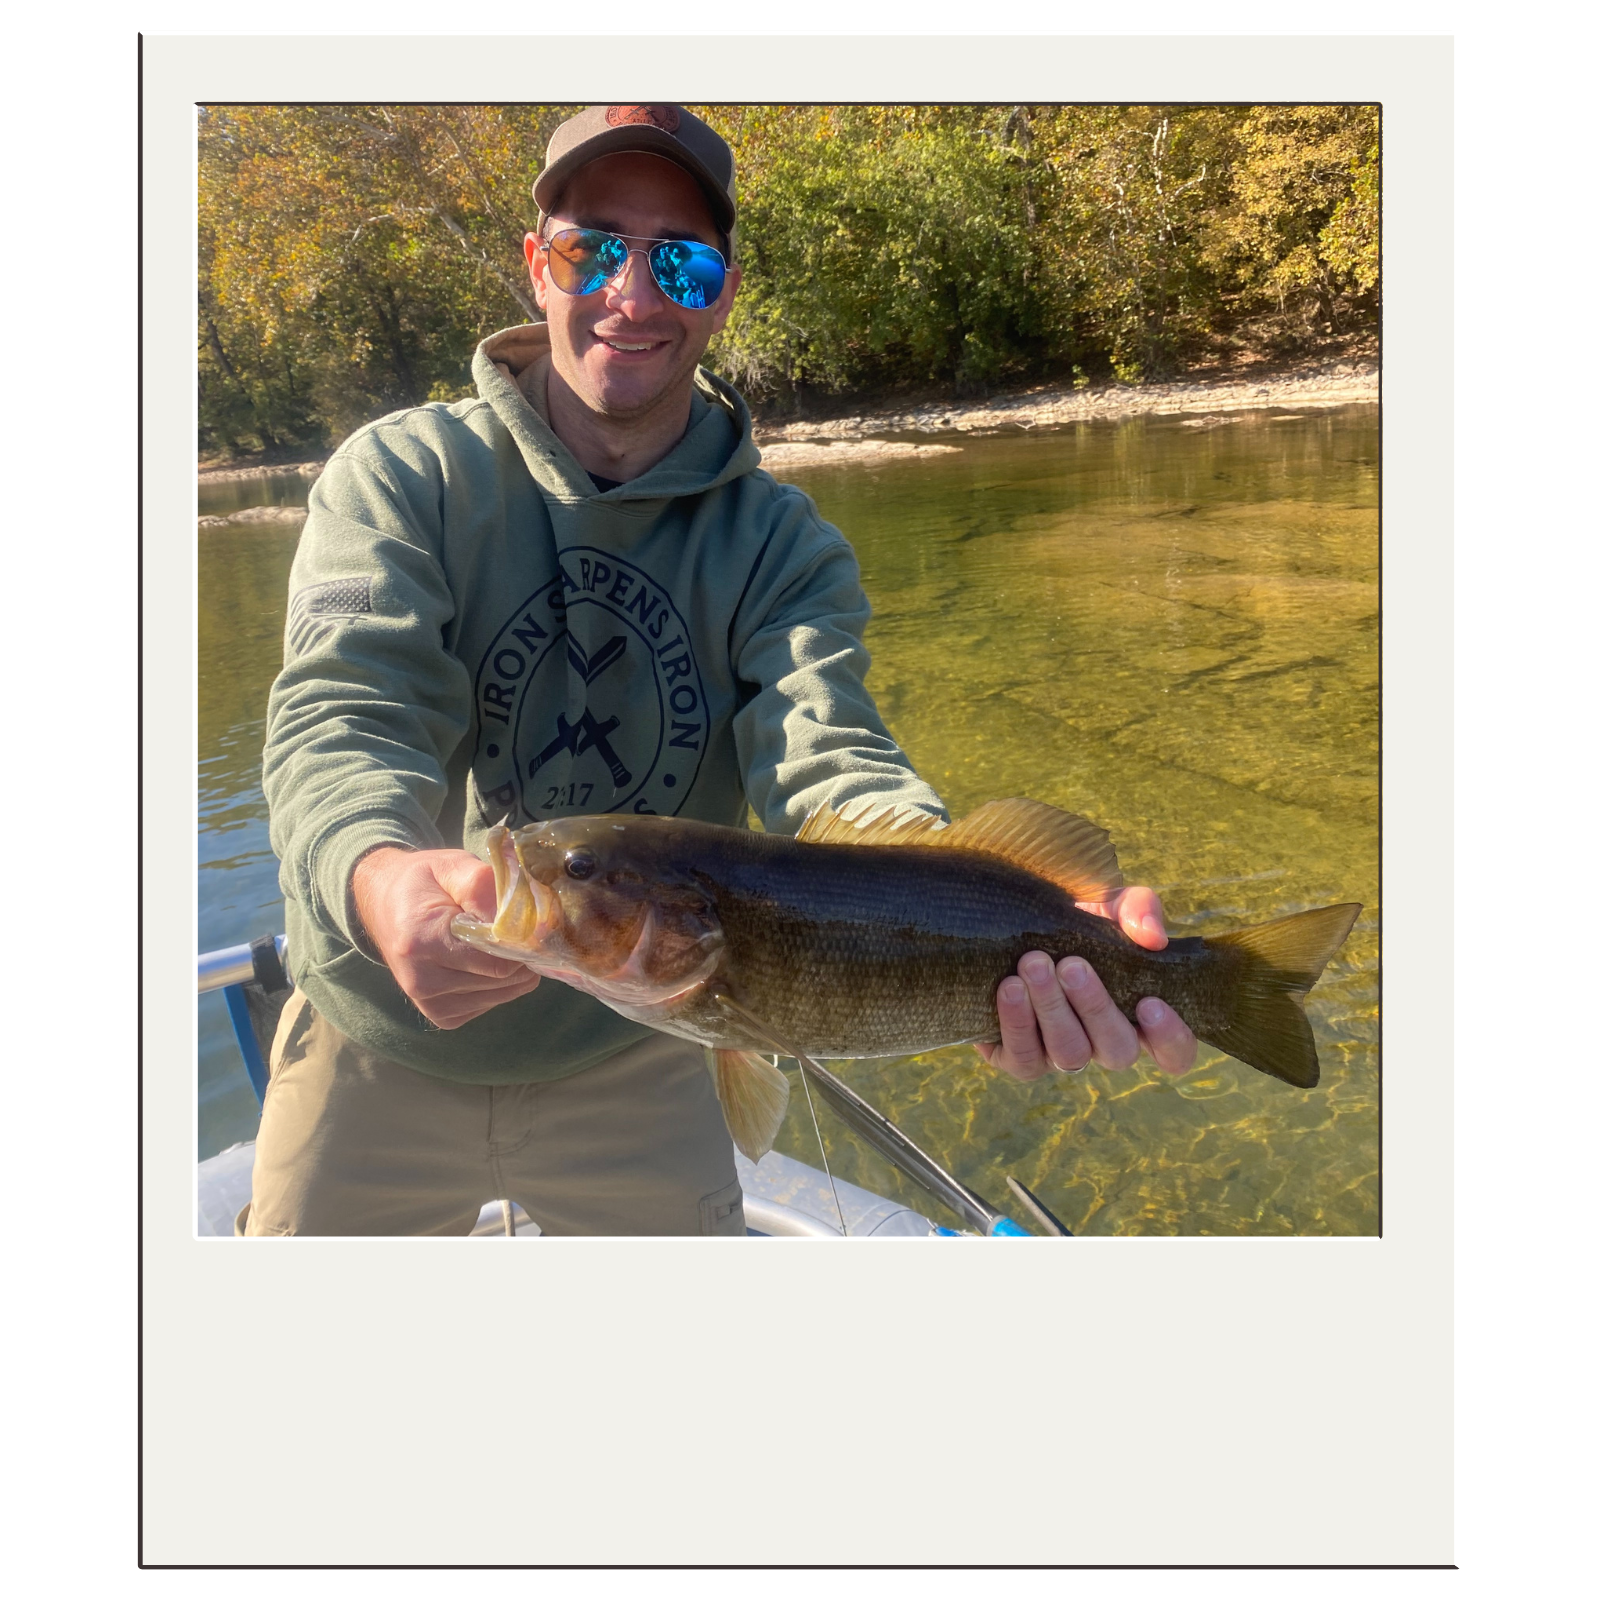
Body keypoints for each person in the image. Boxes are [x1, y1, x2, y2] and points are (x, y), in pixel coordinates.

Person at [243, 105, 1196, 1238]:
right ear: (533, 264)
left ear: (725, 292)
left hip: (644, 1041)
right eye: (591, 248)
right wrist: (374, 875)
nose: (633, 297)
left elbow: (828, 756)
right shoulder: (401, 476)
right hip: (375, 1030)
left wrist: (1008, 910)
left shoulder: (783, 545)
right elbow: (346, 713)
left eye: (681, 263)